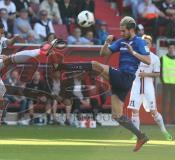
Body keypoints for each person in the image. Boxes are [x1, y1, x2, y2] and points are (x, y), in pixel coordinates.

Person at [54, 16, 151, 152]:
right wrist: (106, 42)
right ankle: (141, 136)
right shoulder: (122, 41)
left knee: (95, 65)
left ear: (131, 29)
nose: (121, 33)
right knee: (117, 115)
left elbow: (148, 60)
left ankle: (63, 67)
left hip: (126, 77)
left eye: (123, 31)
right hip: (121, 79)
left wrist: (133, 52)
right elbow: (102, 53)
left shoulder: (139, 42)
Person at [0, 21, 58, 149]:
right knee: (5, 58)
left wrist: (15, 37)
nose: (0, 35)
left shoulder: (1, 39)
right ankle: (41, 51)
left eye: (2, 33)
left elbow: (9, 43)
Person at [127, 34, 172, 141]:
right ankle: (136, 134)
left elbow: (157, 74)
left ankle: (164, 132)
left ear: (151, 44)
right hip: (136, 85)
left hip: (148, 87)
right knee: (134, 110)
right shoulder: (135, 56)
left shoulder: (155, 58)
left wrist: (146, 75)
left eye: (147, 42)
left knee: (153, 111)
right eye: (143, 42)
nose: (145, 44)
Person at [160, 41, 175, 124]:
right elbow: (160, 71)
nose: (171, 49)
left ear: (174, 48)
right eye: (170, 48)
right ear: (167, 49)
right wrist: (162, 81)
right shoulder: (162, 58)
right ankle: (164, 120)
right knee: (165, 102)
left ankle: (173, 120)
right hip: (166, 84)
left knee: (174, 103)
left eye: (173, 47)